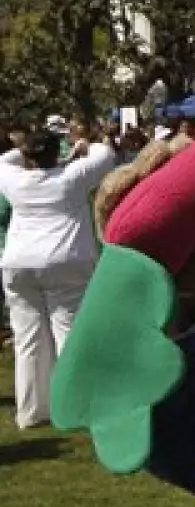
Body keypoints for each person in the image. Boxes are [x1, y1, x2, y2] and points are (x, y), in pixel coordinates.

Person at [0, 126, 117, 428]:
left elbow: (8, 158)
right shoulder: (71, 178)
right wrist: (77, 143)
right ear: (57, 152)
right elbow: (105, 155)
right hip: (64, 262)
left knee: (28, 340)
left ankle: (31, 412)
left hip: (18, 263)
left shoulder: (14, 179)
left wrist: (25, 147)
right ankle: (74, 408)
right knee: (69, 335)